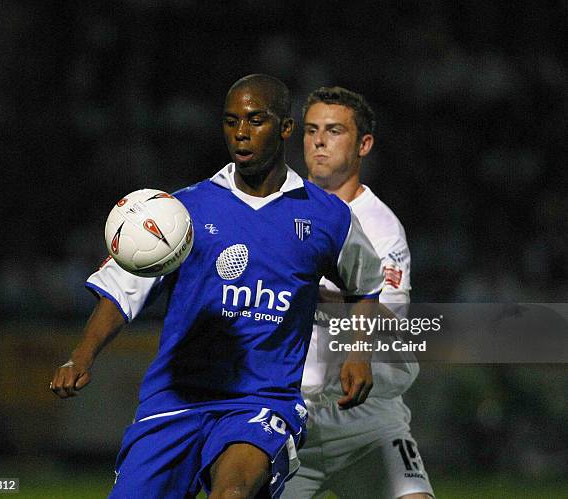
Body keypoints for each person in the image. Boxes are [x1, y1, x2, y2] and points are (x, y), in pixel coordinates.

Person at [50, 75, 384, 499]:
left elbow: (366, 285)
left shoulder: (328, 217)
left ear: (285, 128)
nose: (241, 133)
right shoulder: (179, 212)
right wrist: (81, 356)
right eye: (230, 122)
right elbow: (120, 292)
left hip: (261, 401)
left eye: (255, 120)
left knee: (231, 494)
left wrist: (359, 353)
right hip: (174, 401)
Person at [282, 87, 434, 498]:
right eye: (311, 130)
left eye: (334, 130)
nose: (318, 140)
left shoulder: (382, 227)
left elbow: (390, 320)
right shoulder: (277, 212)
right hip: (289, 416)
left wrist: (315, 294)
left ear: (363, 144)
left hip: (369, 419)